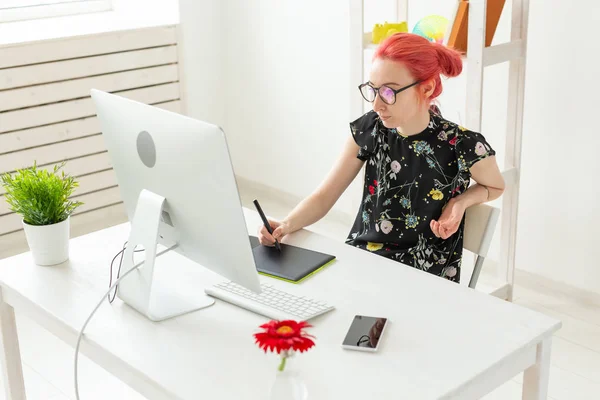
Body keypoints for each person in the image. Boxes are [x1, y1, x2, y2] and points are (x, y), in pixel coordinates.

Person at [257, 33, 505, 283]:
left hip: (425, 278)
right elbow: (324, 197)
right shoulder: (371, 129)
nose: (376, 104)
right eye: (373, 90)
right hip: (363, 262)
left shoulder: (463, 144)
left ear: (427, 87)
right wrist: (284, 226)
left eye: (388, 92)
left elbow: (495, 186)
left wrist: (460, 202)